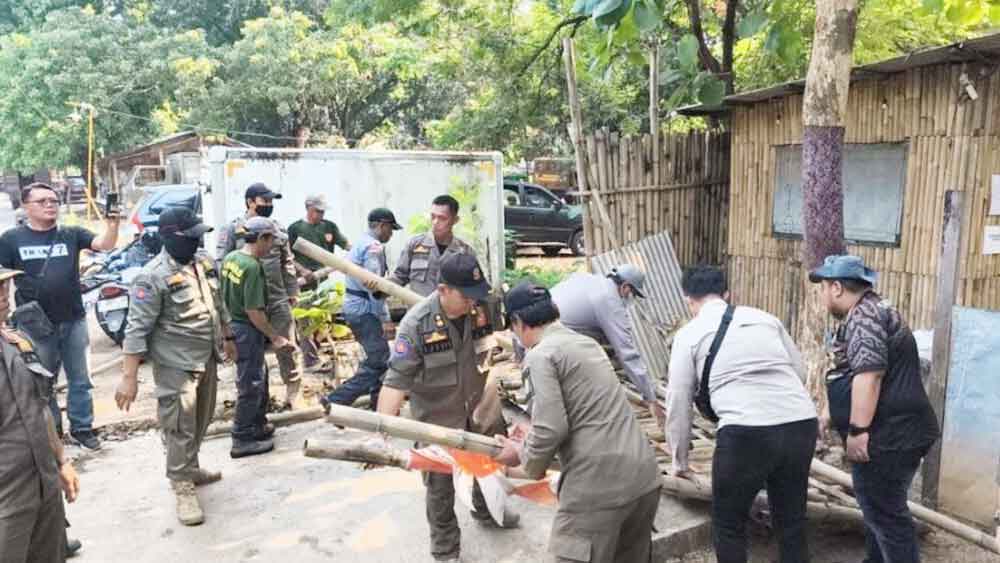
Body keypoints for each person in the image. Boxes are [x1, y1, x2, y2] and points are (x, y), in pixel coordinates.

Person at [494, 282, 661, 563]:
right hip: (643, 478)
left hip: (599, 488)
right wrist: (530, 438)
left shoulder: (540, 355)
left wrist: (521, 456)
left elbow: (551, 428)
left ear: (517, 322)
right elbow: (584, 411)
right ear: (554, 310)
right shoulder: (586, 343)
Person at [665, 265, 818, 563]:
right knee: (791, 521)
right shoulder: (766, 319)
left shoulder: (689, 334)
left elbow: (678, 401)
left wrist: (680, 461)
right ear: (727, 294)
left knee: (728, 523)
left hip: (746, 431)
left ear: (688, 300)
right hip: (800, 422)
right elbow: (797, 371)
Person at [377, 253, 515, 563]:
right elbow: (395, 383)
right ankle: (445, 549)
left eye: (477, 295)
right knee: (440, 488)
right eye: (466, 296)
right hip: (439, 419)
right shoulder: (416, 325)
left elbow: (499, 341)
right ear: (443, 290)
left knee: (490, 467)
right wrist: (382, 433)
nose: (473, 303)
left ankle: (487, 511)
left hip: (482, 406)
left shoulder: (483, 305)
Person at [810, 255, 939, 563]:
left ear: (837, 288)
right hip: (902, 430)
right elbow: (850, 372)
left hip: (890, 436)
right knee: (878, 510)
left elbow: (870, 375)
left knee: (886, 516)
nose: (822, 295)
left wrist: (857, 431)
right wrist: (829, 415)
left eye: (824, 288)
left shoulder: (864, 318)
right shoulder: (876, 310)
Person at [115, 207, 236, 526]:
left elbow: (217, 301)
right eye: (191, 236)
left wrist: (228, 335)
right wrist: (129, 378)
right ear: (169, 236)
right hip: (175, 364)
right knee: (179, 426)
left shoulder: (203, 262)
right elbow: (136, 329)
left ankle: (190, 467)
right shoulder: (152, 276)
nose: (197, 242)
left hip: (206, 355)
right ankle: (182, 486)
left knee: (202, 418)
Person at [0, 182, 120, 450]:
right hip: (33, 324)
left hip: (73, 319)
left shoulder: (70, 233)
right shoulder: (10, 239)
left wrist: (113, 225)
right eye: (42, 201)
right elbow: (3, 279)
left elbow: (103, 244)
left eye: (54, 201)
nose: (50, 205)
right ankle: (52, 430)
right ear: (26, 206)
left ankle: (82, 428)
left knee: (80, 378)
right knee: (42, 379)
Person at [0, 266, 80, 563]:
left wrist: (61, 460)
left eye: (5, 286)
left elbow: (40, 406)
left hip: (42, 481)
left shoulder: (16, 342)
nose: (4, 296)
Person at [216, 182, 302, 409]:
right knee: (250, 354)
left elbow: (288, 262)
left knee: (288, 348)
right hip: (247, 306)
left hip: (276, 300)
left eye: (272, 202)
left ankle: (292, 393)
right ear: (250, 202)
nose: (270, 205)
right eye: (265, 201)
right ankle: (256, 399)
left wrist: (292, 291)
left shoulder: (276, 229)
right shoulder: (234, 229)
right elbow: (221, 264)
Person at [220, 217, 296, 459]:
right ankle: (242, 438)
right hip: (246, 329)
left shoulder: (232, 257)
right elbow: (255, 312)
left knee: (258, 378)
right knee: (250, 384)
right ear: (261, 238)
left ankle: (257, 426)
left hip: (236, 324)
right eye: (271, 240)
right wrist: (275, 337)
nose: (272, 246)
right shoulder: (252, 267)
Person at [549, 264, 661, 424]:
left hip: (539, 330)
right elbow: (628, 354)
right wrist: (651, 398)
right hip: (555, 343)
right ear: (625, 287)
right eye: (632, 293)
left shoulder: (589, 279)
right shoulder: (610, 301)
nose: (631, 297)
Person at [319, 208, 401, 413]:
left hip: (355, 308)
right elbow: (374, 287)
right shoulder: (373, 247)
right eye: (391, 229)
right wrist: (385, 318)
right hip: (365, 310)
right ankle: (336, 401)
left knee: (378, 358)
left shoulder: (360, 242)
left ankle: (378, 408)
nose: (391, 234)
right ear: (382, 225)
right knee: (379, 360)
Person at [287, 194, 350, 371]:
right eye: (317, 211)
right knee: (306, 321)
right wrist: (302, 270)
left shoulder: (329, 227)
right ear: (308, 208)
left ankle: (317, 354)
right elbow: (288, 257)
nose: (321, 215)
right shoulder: (295, 229)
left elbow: (346, 244)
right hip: (304, 283)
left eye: (323, 212)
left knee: (323, 320)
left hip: (324, 282)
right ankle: (310, 361)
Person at [388, 194, 476, 297]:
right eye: (433, 217)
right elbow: (399, 277)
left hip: (450, 313)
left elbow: (473, 290)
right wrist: (378, 287)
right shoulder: (415, 245)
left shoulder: (465, 253)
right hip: (419, 311)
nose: (435, 222)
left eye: (442, 218)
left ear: (455, 220)